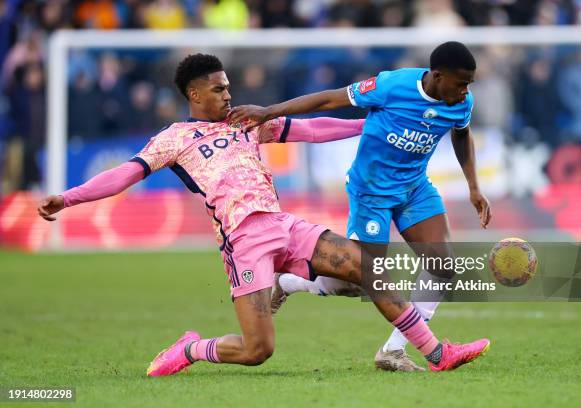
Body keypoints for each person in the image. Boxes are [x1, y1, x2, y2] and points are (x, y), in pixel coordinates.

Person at [37, 53, 490, 376]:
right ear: (194, 94)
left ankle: (437, 354)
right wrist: (68, 197)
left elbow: (311, 129)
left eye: (229, 86)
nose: (228, 94)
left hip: (283, 224)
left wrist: (372, 124)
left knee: (370, 268)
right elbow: (124, 175)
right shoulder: (174, 138)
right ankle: (192, 348)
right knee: (258, 350)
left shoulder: (246, 122)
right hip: (243, 241)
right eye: (219, 89)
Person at [229, 41, 492, 372]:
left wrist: (473, 186)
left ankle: (394, 351)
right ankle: (288, 282)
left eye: (469, 83)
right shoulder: (390, 86)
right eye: (461, 82)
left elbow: (461, 134)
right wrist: (270, 111)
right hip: (371, 193)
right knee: (362, 279)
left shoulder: (460, 102)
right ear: (438, 76)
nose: (466, 90)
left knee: (442, 265)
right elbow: (328, 98)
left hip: (414, 189)